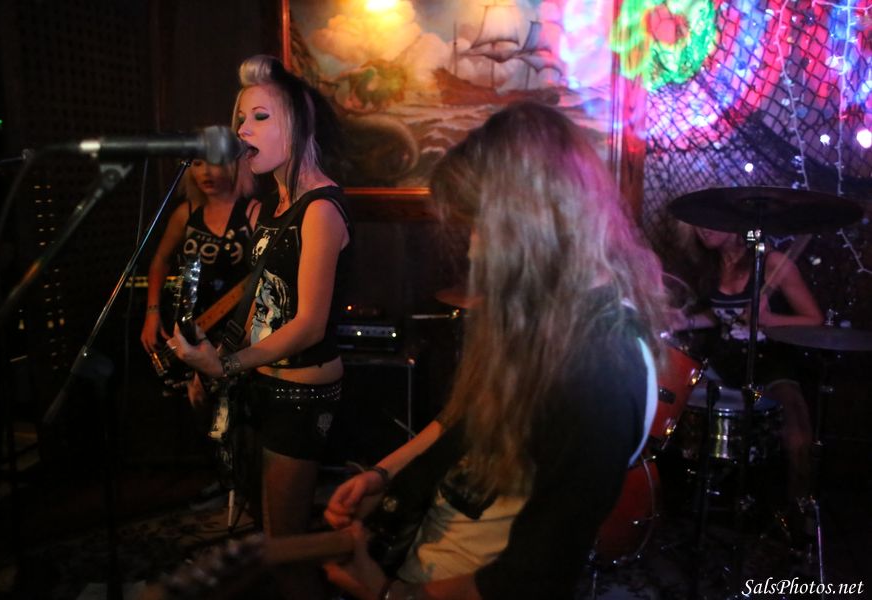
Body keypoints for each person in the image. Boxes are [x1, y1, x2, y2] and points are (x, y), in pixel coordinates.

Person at [322, 102, 668, 600]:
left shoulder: (601, 371)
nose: (474, 248)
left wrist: (387, 594)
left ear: (535, 222)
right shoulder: (549, 315)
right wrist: (385, 475)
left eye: (483, 226)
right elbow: (467, 417)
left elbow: (531, 580)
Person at [167, 54, 350, 600]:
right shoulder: (274, 205)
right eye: (241, 118)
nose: (243, 130)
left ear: (298, 124)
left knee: (286, 545)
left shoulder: (320, 209)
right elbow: (262, 302)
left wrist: (225, 364)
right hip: (263, 383)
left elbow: (309, 324)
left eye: (261, 117)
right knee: (269, 533)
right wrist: (214, 366)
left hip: (301, 393)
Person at [670, 225, 822, 525]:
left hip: (770, 363)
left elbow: (814, 320)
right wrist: (680, 322)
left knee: (797, 434)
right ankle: (683, 502)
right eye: (699, 222)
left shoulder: (772, 262)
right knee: (675, 405)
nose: (703, 229)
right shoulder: (710, 265)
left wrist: (768, 320)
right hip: (725, 362)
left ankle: (797, 517)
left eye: (713, 221)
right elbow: (718, 316)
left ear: (734, 223)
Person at [139, 156, 259, 362]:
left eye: (214, 162)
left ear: (234, 165)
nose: (205, 172)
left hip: (234, 327)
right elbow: (160, 259)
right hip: (185, 323)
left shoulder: (253, 212)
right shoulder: (185, 213)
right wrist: (152, 312)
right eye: (197, 163)